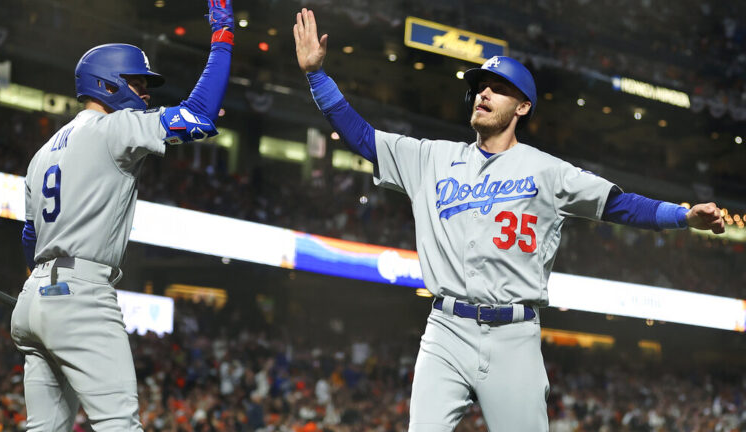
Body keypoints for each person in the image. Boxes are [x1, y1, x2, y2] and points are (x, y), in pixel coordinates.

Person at [292, 8, 725, 431]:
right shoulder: (431, 158)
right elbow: (364, 139)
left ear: (522, 107)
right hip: (445, 329)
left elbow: (618, 203)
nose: (483, 94)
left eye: (497, 88)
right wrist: (316, 75)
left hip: (514, 338)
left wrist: (682, 217)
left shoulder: (547, 170)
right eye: (480, 86)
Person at [10, 1, 235, 429]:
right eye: (137, 82)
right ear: (108, 85)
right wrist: (222, 35)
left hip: (34, 299)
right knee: (119, 424)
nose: (145, 93)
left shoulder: (42, 153)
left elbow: (29, 238)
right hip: (80, 296)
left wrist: (42, 296)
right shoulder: (113, 128)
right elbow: (199, 116)